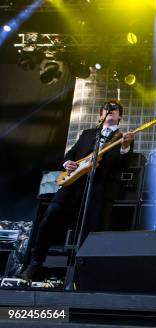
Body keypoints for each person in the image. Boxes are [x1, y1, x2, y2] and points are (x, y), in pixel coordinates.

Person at [18, 100, 135, 281]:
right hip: (73, 184)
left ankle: (82, 275)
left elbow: (124, 165)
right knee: (50, 214)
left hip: (98, 188)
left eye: (115, 110)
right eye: (107, 109)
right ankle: (35, 264)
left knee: (91, 230)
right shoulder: (88, 134)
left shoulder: (122, 138)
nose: (110, 111)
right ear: (100, 114)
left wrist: (126, 146)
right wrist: (68, 163)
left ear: (120, 117)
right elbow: (71, 153)